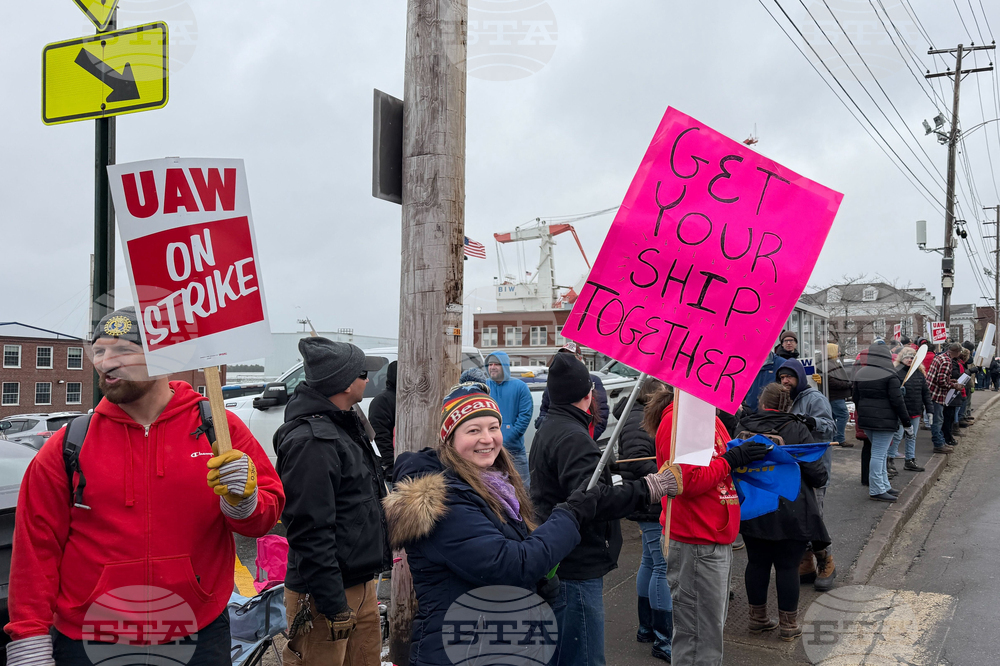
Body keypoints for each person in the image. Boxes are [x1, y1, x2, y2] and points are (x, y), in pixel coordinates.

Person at [4, 307, 285, 666]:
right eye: (100, 351)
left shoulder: (221, 430)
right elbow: (35, 551)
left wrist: (243, 502)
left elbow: (262, 520)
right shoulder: (68, 444)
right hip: (90, 640)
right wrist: (29, 644)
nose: (107, 362)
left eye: (123, 350)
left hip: (198, 634)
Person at [382, 382, 602, 666]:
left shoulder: (494, 485)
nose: (487, 439)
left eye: (493, 427)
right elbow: (507, 565)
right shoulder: (443, 502)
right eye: (473, 430)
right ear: (449, 438)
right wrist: (569, 515)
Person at [529, 353, 678, 666]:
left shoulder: (551, 427)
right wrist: (648, 489)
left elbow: (583, 487)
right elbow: (591, 502)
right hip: (576, 563)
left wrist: (615, 474)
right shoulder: (572, 436)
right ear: (588, 395)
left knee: (564, 655)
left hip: (561, 556)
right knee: (584, 657)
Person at [275, 337, 391, 666]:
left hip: (359, 582)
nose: (368, 380)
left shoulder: (343, 427)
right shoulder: (311, 442)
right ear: (343, 383)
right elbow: (310, 530)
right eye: (362, 373)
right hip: (324, 592)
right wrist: (332, 602)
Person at [646, 383, 768, 666]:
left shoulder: (704, 415)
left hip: (712, 537)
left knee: (707, 635)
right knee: (699, 641)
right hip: (696, 540)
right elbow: (685, 481)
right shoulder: (679, 419)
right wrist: (731, 459)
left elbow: (717, 465)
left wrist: (742, 454)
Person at [737, 383, 830, 642]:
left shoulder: (742, 428)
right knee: (788, 567)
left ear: (761, 402)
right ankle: (788, 625)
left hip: (752, 506)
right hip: (790, 507)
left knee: (756, 562)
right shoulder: (797, 428)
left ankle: (757, 619)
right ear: (788, 406)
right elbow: (817, 474)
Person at [614, 377, 672, 661]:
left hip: (644, 499)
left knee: (650, 561)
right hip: (649, 500)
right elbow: (638, 460)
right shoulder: (639, 420)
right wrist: (666, 475)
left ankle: (646, 628)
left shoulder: (636, 416)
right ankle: (662, 638)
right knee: (661, 565)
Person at [775, 358, 837, 590]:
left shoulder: (814, 399)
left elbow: (830, 427)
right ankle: (806, 561)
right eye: (782, 377)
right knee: (796, 518)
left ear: (799, 377)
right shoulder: (783, 400)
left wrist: (809, 421)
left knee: (815, 518)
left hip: (814, 470)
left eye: (789, 376)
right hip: (791, 471)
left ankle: (826, 561)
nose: (785, 381)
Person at [853, 343, 911, 502]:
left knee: (879, 453)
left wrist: (864, 412)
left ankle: (884, 485)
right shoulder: (890, 374)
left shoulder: (861, 372)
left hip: (867, 420)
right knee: (879, 454)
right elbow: (897, 401)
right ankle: (877, 489)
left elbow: (855, 398)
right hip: (885, 421)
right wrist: (906, 422)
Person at [535, 342, 610, 440]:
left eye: (570, 356)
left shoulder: (593, 381)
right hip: (556, 440)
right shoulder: (552, 384)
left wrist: (586, 439)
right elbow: (544, 411)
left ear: (580, 358)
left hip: (583, 439)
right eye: (563, 355)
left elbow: (601, 415)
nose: (566, 359)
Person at [484, 351, 534, 487]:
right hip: (489, 452)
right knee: (492, 491)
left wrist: (508, 438)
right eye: (490, 364)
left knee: (522, 489)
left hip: (514, 452)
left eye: (497, 364)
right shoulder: (484, 387)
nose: (492, 367)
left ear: (505, 366)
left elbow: (525, 415)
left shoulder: (520, 387)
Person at [890, 346, 932, 472]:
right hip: (901, 410)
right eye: (907, 357)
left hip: (915, 409)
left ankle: (910, 460)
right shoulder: (896, 371)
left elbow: (925, 392)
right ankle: (889, 460)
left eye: (912, 357)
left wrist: (929, 410)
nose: (910, 359)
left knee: (912, 436)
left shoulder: (919, 372)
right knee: (897, 436)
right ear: (901, 358)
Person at [926, 343, 963, 453]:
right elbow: (941, 381)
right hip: (936, 394)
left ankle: (940, 442)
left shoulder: (940, 357)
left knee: (937, 419)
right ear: (957, 352)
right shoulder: (947, 361)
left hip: (931, 391)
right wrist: (954, 386)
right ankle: (938, 444)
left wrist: (949, 380)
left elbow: (940, 377)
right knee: (938, 420)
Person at [368, 360, 397, 479]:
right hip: (393, 467)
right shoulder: (382, 401)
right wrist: (391, 464)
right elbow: (379, 434)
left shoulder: (413, 398)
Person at [826, 343, 854, 447]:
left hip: (835, 395)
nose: (839, 353)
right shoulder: (829, 364)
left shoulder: (832, 363)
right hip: (835, 396)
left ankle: (834, 438)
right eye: (837, 351)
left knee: (833, 417)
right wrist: (847, 384)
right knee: (843, 415)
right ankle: (839, 439)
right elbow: (831, 381)